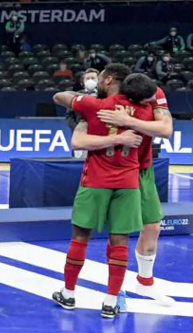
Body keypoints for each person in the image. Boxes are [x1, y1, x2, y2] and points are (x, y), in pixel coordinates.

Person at [50, 66, 157, 319]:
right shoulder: (145, 112)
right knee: (120, 242)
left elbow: (59, 97)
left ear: (108, 80)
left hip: (96, 179)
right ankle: (111, 302)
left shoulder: (95, 105)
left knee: (80, 237)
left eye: (98, 78)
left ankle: (69, 293)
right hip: (129, 182)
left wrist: (83, 98)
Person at [95, 84, 174, 306]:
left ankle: (145, 282)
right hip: (115, 168)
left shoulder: (154, 92)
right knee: (118, 231)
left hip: (142, 168)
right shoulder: (110, 96)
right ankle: (115, 290)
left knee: (152, 226)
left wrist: (128, 121)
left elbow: (165, 130)